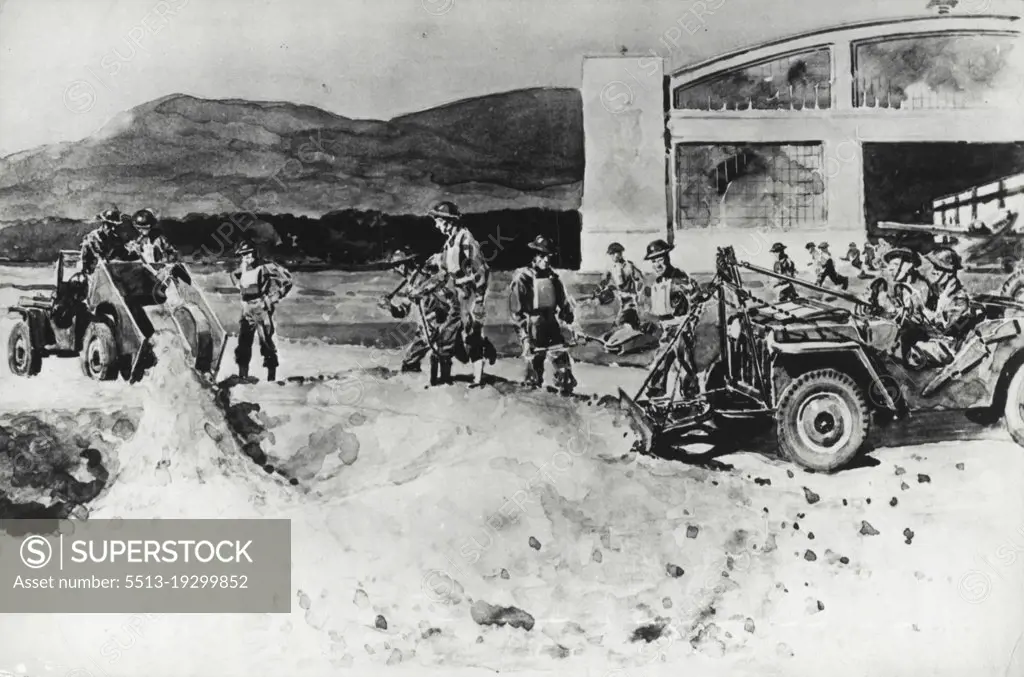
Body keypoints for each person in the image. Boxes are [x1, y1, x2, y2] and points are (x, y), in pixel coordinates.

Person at [430, 200, 493, 387]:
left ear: (447, 221)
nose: (436, 224)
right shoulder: (449, 242)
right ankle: (446, 378)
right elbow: (443, 267)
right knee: (447, 334)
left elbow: (480, 268)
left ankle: (478, 379)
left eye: (438, 220)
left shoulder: (466, 239)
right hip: (455, 293)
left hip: (469, 294)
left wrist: (479, 298)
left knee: (472, 334)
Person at [381, 249, 464, 385]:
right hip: (427, 327)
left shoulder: (425, 279)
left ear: (405, 265)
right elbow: (402, 311)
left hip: (439, 322)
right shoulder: (411, 284)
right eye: (395, 266)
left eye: (398, 265)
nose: (397, 269)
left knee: (443, 354)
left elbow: (446, 300)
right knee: (410, 360)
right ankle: (416, 386)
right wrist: (389, 306)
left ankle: (443, 384)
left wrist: (440, 321)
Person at [508, 235, 578, 395]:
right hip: (533, 324)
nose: (546, 260)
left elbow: (563, 301)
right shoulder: (522, 278)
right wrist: (525, 338)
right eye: (543, 256)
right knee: (534, 363)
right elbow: (516, 311)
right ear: (535, 256)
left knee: (561, 358)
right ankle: (533, 393)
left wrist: (568, 315)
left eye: (549, 256)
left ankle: (566, 391)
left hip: (551, 322)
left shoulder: (553, 278)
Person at [644, 239, 701, 400]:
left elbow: (696, 298)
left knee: (685, 362)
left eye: (660, 260)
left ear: (667, 258)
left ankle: (690, 394)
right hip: (667, 328)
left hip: (681, 327)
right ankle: (655, 393)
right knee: (660, 361)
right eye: (654, 261)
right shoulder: (657, 282)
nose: (657, 265)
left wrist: (689, 321)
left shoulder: (679, 278)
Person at [230, 241, 293, 381]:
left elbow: (288, 279)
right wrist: (238, 286)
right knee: (243, 343)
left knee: (266, 342)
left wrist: (274, 297)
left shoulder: (266, 266)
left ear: (255, 253)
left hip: (261, 307)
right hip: (246, 308)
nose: (246, 257)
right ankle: (243, 377)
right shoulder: (243, 268)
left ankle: (271, 379)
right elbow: (234, 275)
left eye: (248, 253)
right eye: (243, 255)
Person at [908, 247, 971, 369]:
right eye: (934, 267)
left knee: (910, 353)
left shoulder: (959, 300)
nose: (933, 271)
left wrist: (925, 313)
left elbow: (944, 328)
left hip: (948, 350)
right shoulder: (935, 292)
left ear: (949, 273)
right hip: (932, 343)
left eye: (938, 268)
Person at [881, 247, 934, 363]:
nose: (890, 269)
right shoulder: (899, 285)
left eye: (895, 264)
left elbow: (915, 316)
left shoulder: (920, 286)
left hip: (918, 331)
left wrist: (892, 309)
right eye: (890, 265)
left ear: (908, 265)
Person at [596, 242, 646, 331]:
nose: (612, 256)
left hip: (630, 299)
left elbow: (640, 280)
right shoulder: (611, 267)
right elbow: (604, 280)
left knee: (619, 323)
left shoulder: (629, 266)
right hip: (620, 299)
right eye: (611, 254)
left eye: (614, 253)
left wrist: (638, 294)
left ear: (620, 253)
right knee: (633, 323)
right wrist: (598, 289)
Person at [80, 208, 133, 276]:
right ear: (103, 224)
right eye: (110, 225)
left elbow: (124, 256)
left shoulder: (116, 239)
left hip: (111, 275)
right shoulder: (91, 238)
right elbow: (85, 261)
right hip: (94, 274)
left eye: (115, 226)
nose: (113, 229)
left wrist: (132, 251)